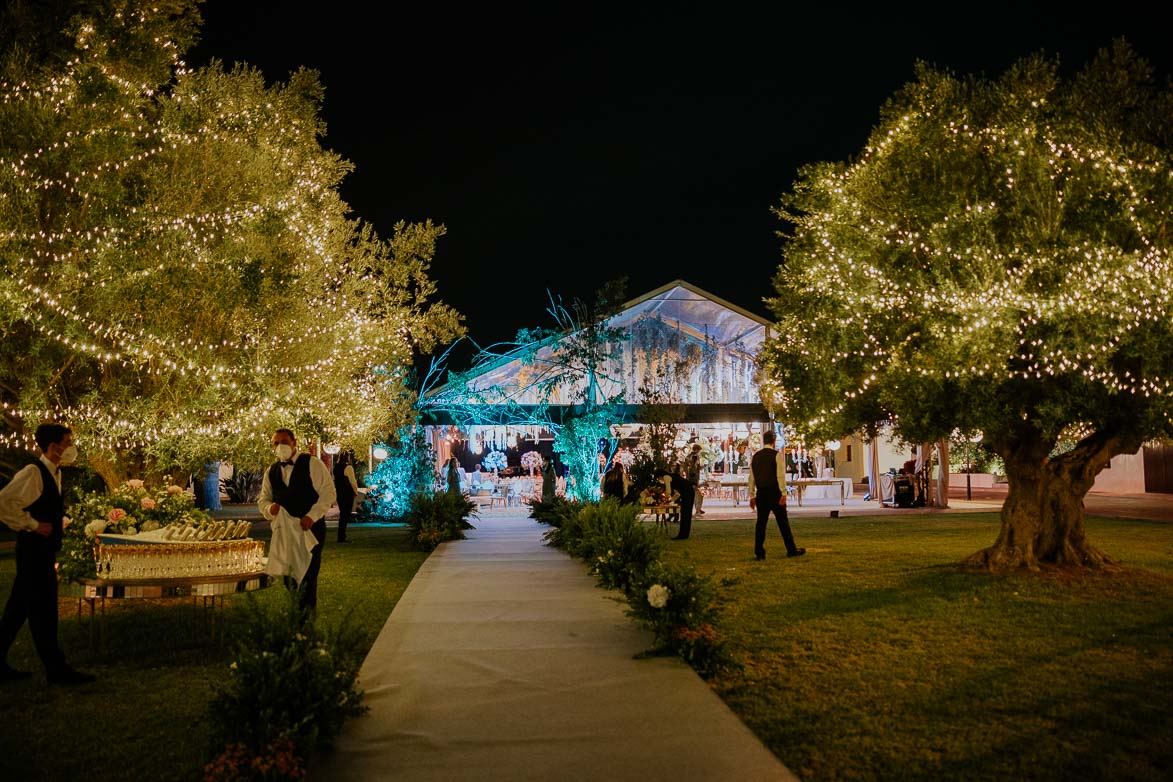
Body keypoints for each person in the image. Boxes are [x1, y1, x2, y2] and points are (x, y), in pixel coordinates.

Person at [0, 423, 95, 685]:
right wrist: (32, 525)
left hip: (43, 551)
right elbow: (4, 503)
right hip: (33, 552)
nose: (71, 448)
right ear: (53, 447)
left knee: (17, 608)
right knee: (44, 610)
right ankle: (56, 668)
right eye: (67, 443)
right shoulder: (34, 472)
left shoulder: (55, 472)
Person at [258, 429, 337, 612]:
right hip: (284, 534)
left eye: (284, 441)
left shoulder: (312, 463)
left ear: (294, 442)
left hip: (310, 530)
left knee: (308, 578)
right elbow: (263, 500)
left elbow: (328, 493)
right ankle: (295, 619)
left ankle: (306, 626)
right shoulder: (272, 471)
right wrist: (270, 509)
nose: (280, 446)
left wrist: (312, 515)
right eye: (276, 443)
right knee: (289, 578)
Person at [747, 430, 805, 561]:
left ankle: (759, 552)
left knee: (761, 523)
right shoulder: (776, 455)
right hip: (774, 492)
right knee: (783, 522)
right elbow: (780, 475)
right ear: (773, 441)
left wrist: (751, 495)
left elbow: (752, 477)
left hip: (761, 493)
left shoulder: (756, 456)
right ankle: (791, 549)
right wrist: (784, 493)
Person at [657, 466, 696, 540]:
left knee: (685, 513)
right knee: (686, 514)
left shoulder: (666, 477)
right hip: (688, 491)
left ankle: (683, 535)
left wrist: (665, 499)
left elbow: (668, 491)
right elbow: (677, 493)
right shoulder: (672, 477)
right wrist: (671, 500)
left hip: (687, 492)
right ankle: (684, 534)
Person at [332, 451, 359, 543]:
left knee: (343, 514)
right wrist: (355, 491)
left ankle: (341, 535)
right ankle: (341, 536)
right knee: (345, 514)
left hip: (340, 493)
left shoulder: (336, 468)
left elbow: (334, 480)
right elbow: (352, 481)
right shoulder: (348, 467)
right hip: (347, 493)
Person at [684, 443, 705, 516]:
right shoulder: (694, 457)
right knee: (697, 496)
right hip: (693, 479)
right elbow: (693, 467)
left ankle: (697, 509)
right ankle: (697, 510)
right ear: (696, 450)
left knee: (695, 495)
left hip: (691, 478)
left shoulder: (688, 457)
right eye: (699, 450)